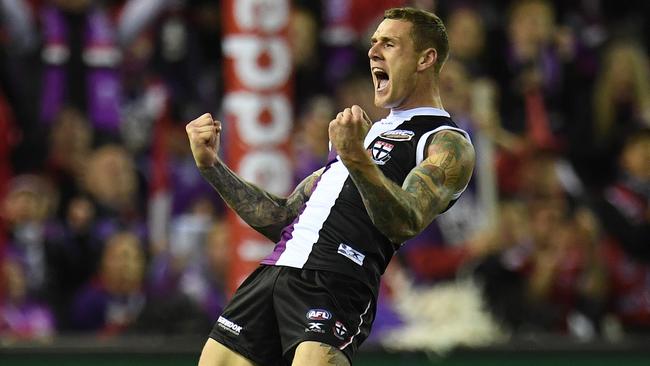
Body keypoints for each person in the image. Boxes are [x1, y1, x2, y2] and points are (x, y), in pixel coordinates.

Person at [187, 7, 475, 366]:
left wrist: (355, 157)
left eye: (389, 43)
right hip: (275, 271)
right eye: (372, 42)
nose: (373, 51)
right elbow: (282, 217)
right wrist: (213, 167)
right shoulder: (360, 134)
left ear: (425, 58)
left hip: (336, 279)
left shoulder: (446, 142)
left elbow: (407, 219)